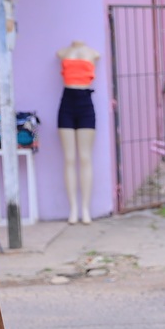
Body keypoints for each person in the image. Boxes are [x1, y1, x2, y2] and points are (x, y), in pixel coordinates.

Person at [56, 40, 100, 225]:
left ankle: (85, 209)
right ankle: (73, 208)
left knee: (85, 157)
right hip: (67, 103)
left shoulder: (93, 53)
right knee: (69, 158)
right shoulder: (63, 52)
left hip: (85, 103)